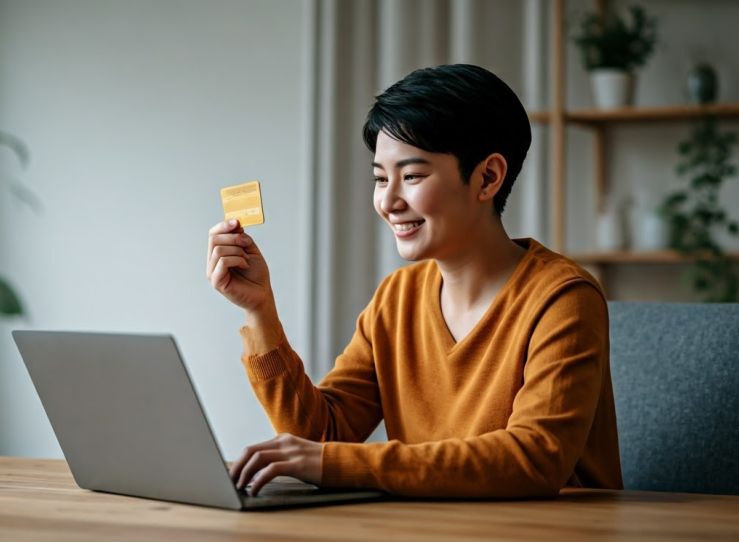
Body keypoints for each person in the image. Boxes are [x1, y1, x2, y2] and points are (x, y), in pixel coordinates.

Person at [205, 64, 623, 499]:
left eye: (412, 176)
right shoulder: (396, 298)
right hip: (428, 533)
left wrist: (340, 463)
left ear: (488, 177)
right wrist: (260, 311)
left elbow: (535, 458)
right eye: (381, 178)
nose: (388, 201)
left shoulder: (563, 298)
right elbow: (322, 437)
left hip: (547, 538)